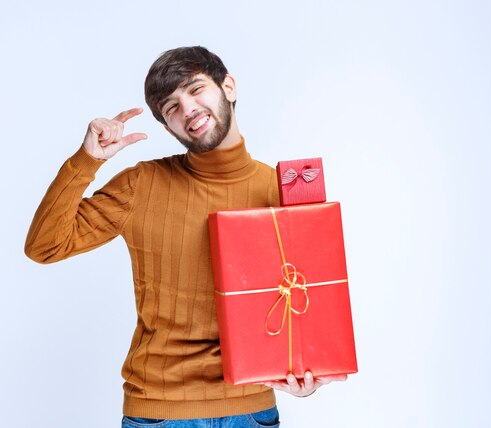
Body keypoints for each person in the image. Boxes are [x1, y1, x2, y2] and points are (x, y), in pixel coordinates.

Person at [24, 46, 345, 427]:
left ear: (228, 86)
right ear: (166, 127)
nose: (187, 109)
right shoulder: (141, 185)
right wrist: (86, 161)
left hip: (252, 411)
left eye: (195, 90)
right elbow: (45, 246)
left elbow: (306, 301)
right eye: (171, 107)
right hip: (159, 412)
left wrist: (305, 374)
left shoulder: (281, 188)